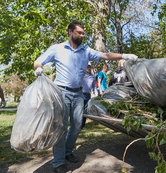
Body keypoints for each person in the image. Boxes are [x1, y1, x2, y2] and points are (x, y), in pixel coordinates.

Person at [33, 20, 138, 173]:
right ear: (70, 31)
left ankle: (68, 152)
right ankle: (58, 162)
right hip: (61, 92)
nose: (82, 35)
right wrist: (38, 69)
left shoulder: (86, 51)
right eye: (79, 32)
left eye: (83, 33)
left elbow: (105, 55)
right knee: (61, 128)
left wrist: (124, 55)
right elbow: (38, 61)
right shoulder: (57, 48)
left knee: (76, 126)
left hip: (78, 93)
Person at [81, 62, 98, 129]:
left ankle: (82, 126)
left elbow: (94, 86)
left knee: (85, 111)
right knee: (79, 110)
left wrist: (96, 94)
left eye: (89, 66)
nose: (88, 68)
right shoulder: (81, 75)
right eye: (87, 66)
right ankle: (77, 126)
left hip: (88, 95)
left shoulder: (93, 76)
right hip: (81, 95)